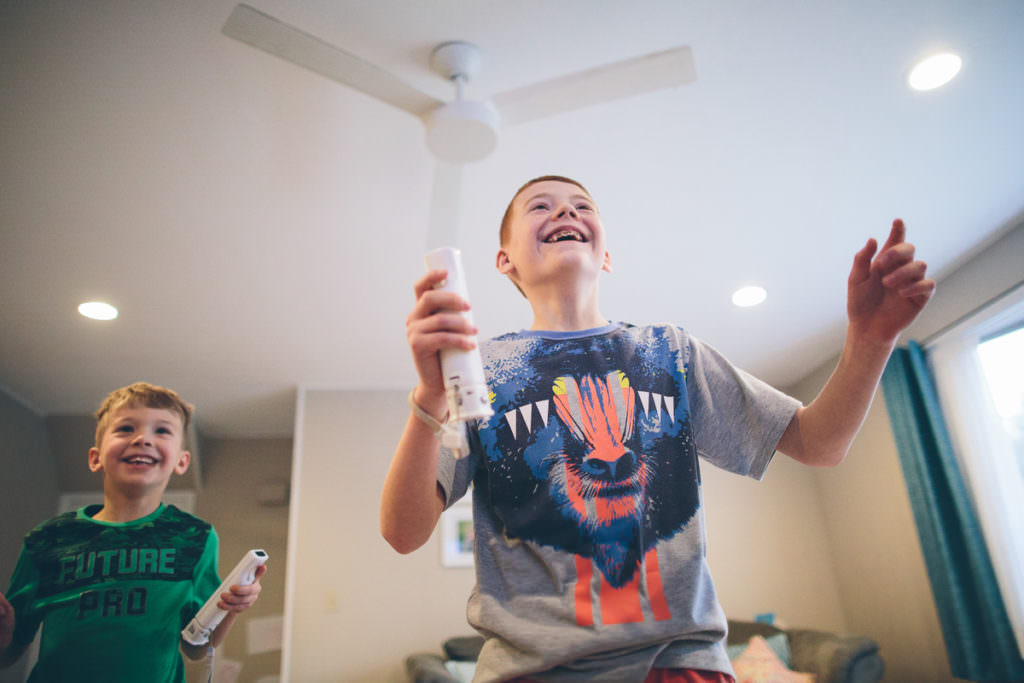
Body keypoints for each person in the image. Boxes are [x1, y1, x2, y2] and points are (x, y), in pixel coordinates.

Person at [382, 175, 935, 682]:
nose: (566, 212)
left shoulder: (670, 351)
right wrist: (429, 398)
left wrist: (871, 339)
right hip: (531, 671)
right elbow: (403, 533)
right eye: (541, 206)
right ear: (505, 260)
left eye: (582, 206)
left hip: (680, 664)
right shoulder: (478, 372)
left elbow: (820, 443)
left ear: (606, 255)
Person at [0, 382, 267, 682]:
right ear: (95, 457)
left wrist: (232, 608)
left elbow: (196, 647)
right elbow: (7, 654)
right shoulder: (47, 539)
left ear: (181, 462)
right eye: (126, 428)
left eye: (162, 431)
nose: (143, 439)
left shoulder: (195, 537)